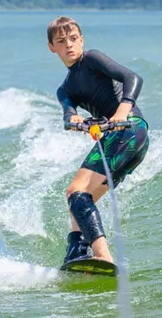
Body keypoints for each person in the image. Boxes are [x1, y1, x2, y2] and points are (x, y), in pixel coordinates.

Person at [47, 15, 149, 264]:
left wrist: (123, 109)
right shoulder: (65, 89)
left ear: (81, 40)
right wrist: (76, 122)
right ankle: (78, 252)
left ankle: (103, 256)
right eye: (61, 41)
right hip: (126, 141)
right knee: (80, 201)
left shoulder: (91, 58)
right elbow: (68, 114)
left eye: (73, 38)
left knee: (75, 191)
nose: (69, 44)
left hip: (129, 129)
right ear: (52, 48)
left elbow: (133, 78)